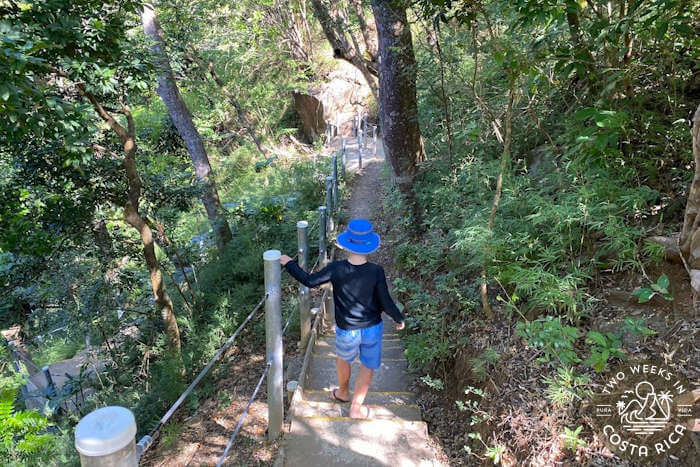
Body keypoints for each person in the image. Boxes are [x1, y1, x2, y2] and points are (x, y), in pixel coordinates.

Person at [280, 218, 405, 419]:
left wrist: (289, 264)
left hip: (347, 328)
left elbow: (310, 281)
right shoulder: (376, 271)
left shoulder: (336, 268)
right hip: (372, 327)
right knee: (368, 365)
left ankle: (343, 392)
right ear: (369, 246)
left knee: (343, 359)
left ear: (347, 243)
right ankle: (357, 407)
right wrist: (398, 317)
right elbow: (385, 301)